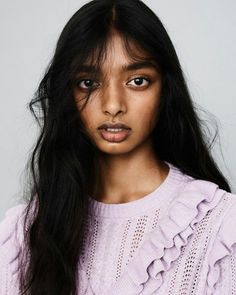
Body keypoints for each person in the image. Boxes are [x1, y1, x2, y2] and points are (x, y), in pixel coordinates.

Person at [0, 0, 235, 294]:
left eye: (137, 81)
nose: (113, 105)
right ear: (67, 93)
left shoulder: (220, 227)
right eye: (88, 82)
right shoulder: (25, 233)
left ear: (165, 89)